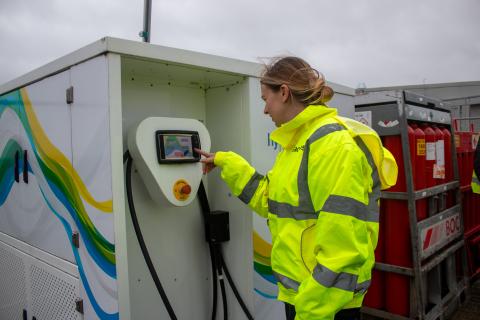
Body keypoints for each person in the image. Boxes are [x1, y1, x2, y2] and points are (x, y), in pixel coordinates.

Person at [196, 56, 396, 320]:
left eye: (265, 99)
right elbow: (271, 202)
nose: (265, 110)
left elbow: (343, 248)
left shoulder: (332, 147)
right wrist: (226, 161)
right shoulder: (300, 142)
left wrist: (310, 312)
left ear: (284, 92)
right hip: (305, 296)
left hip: (324, 305)